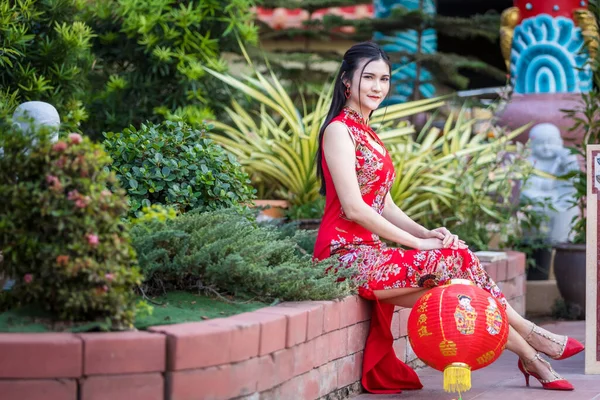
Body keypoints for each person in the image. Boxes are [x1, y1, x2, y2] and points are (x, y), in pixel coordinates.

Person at [313, 41, 583, 394]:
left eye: (384, 79)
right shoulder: (338, 130)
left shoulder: (369, 135)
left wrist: (429, 232)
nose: (378, 87)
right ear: (347, 81)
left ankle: (533, 359)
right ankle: (533, 339)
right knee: (457, 258)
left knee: (463, 290)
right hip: (344, 256)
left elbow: (385, 203)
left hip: (371, 255)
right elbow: (354, 207)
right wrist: (419, 244)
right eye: (369, 78)